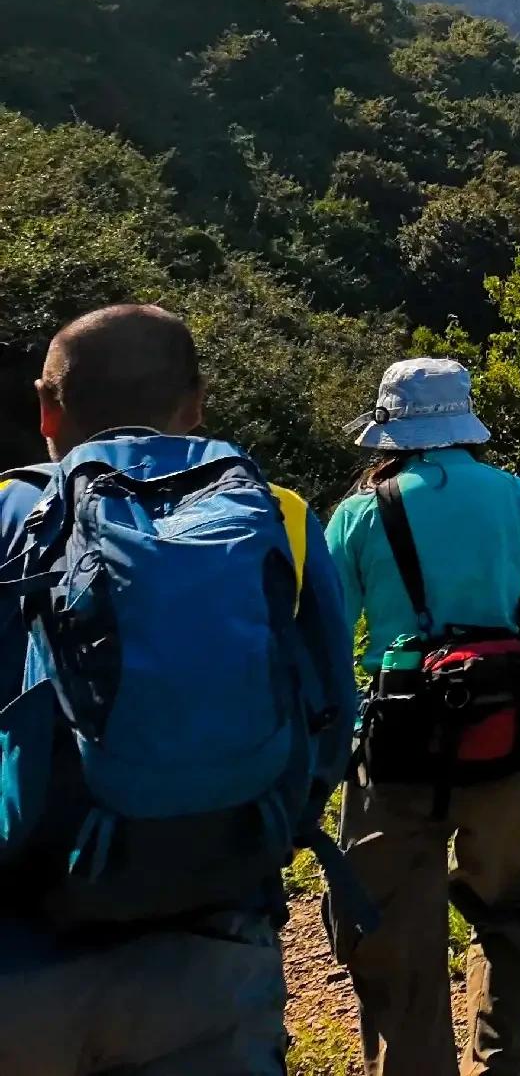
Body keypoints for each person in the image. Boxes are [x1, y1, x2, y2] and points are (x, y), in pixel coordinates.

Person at [0, 303, 353, 1076]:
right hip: (214, 939)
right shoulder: (278, 513)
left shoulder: (6, 512)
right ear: (196, 402)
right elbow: (331, 714)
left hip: (18, 949)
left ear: (46, 407)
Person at [327, 357, 520, 1076]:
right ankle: (498, 1061)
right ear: (464, 420)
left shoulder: (359, 514)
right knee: (504, 909)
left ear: (391, 427)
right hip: (505, 743)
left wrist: (324, 743)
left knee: (387, 922)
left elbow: (325, 642)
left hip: (395, 752)